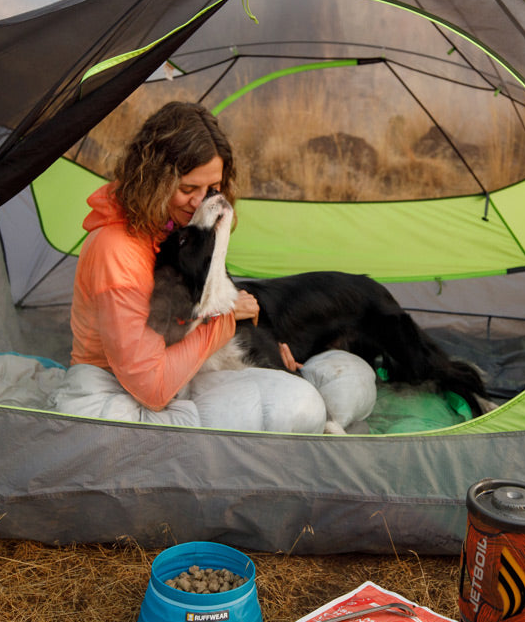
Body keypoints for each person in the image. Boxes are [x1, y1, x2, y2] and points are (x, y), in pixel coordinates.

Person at [53, 101, 328, 433]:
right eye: (187, 189)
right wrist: (225, 319)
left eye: (212, 189)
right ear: (155, 180)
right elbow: (151, 387)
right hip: (118, 392)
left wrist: (266, 353)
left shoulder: (163, 224)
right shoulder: (118, 251)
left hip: (175, 377)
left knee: (294, 394)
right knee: (298, 405)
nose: (201, 202)